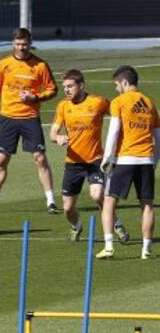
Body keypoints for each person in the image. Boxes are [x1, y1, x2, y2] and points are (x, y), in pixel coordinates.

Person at [0, 27, 59, 214]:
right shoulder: (4, 64)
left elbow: (53, 90)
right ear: (13, 44)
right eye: (18, 44)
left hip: (30, 118)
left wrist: (35, 97)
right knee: (1, 160)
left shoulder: (40, 66)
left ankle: (51, 202)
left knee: (40, 158)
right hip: (8, 118)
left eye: (25, 44)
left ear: (30, 43)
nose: (21, 47)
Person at [50, 69, 129, 242]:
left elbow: (119, 116)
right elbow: (53, 133)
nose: (67, 90)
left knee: (98, 196)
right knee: (68, 207)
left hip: (95, 161)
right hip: (73, 163)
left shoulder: (98, 102)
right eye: (65, 87)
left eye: (70, 86)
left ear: (81, 85)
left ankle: (117, 225)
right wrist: (58, 137)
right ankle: (76, 226)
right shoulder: (63, 106)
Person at [96, 66, 160, 259]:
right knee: (147, 204)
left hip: (125, 159)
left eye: (117, 85)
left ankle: (108, 246)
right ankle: (146, 249)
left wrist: (107, 158)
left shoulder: (119, 102)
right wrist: (154, 160)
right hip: (146, 160)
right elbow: (159, 136)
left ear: (124, 82)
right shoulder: (150, 103)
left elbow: (114, 131)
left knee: (108, 202)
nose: (116, 89)